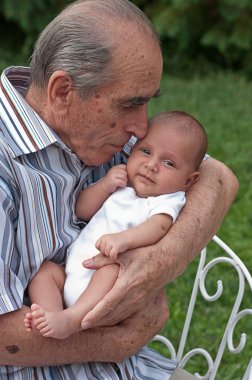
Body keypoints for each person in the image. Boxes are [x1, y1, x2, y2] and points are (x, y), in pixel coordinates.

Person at [0, 0, 238, 379]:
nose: (142, 128)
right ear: (63, 91)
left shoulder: (122, 144)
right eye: (132, 103)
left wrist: (158, 263)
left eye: (147, 103)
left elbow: (221, 179)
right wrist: (120, 339)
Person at [24, 111, 207, 340]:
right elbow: (81, 210)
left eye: (168, 163)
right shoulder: (122, 183)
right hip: (74, 269)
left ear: (189, 180)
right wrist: (105, 186)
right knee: (45, 272)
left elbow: (159, 227)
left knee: (111, 270)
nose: (151, 165)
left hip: (104, 280)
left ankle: (72, 318)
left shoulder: (168, 199)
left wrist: (125, 239)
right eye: (146, 152)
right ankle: (52, 315)